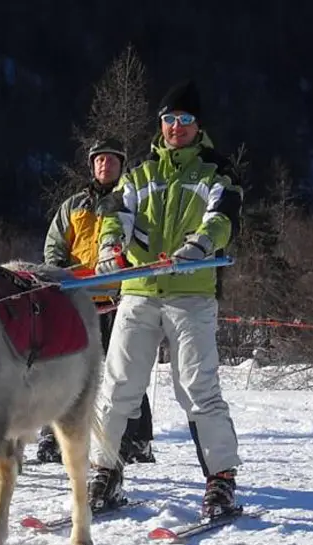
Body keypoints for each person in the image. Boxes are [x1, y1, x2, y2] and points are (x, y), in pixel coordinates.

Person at [89, 80, 243, 518]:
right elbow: (115, 216)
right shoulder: (140, 172)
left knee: (198, 388)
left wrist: (199, 247)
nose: (177, 127)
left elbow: (223, 217)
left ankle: (221, 479)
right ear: (161, 124)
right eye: (170, 119)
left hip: (190, 293)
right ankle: (107, 471)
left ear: (198, 125)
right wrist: (109, 250)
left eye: (186, 120)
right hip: (139, 290)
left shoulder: (217, 169)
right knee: (119, 386)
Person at [35, 137, 156, 466]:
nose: (105, 165)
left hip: (118, 300)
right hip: (77, 301)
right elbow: (54, 245)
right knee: (61, 367)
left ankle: (137, 438)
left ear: (121, 166)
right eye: (100, 160)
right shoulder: (74, 206)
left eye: (112, 161)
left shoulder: (130, 203)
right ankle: (53, 436)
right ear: (92, 166)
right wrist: (59, 274)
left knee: (125, 369)